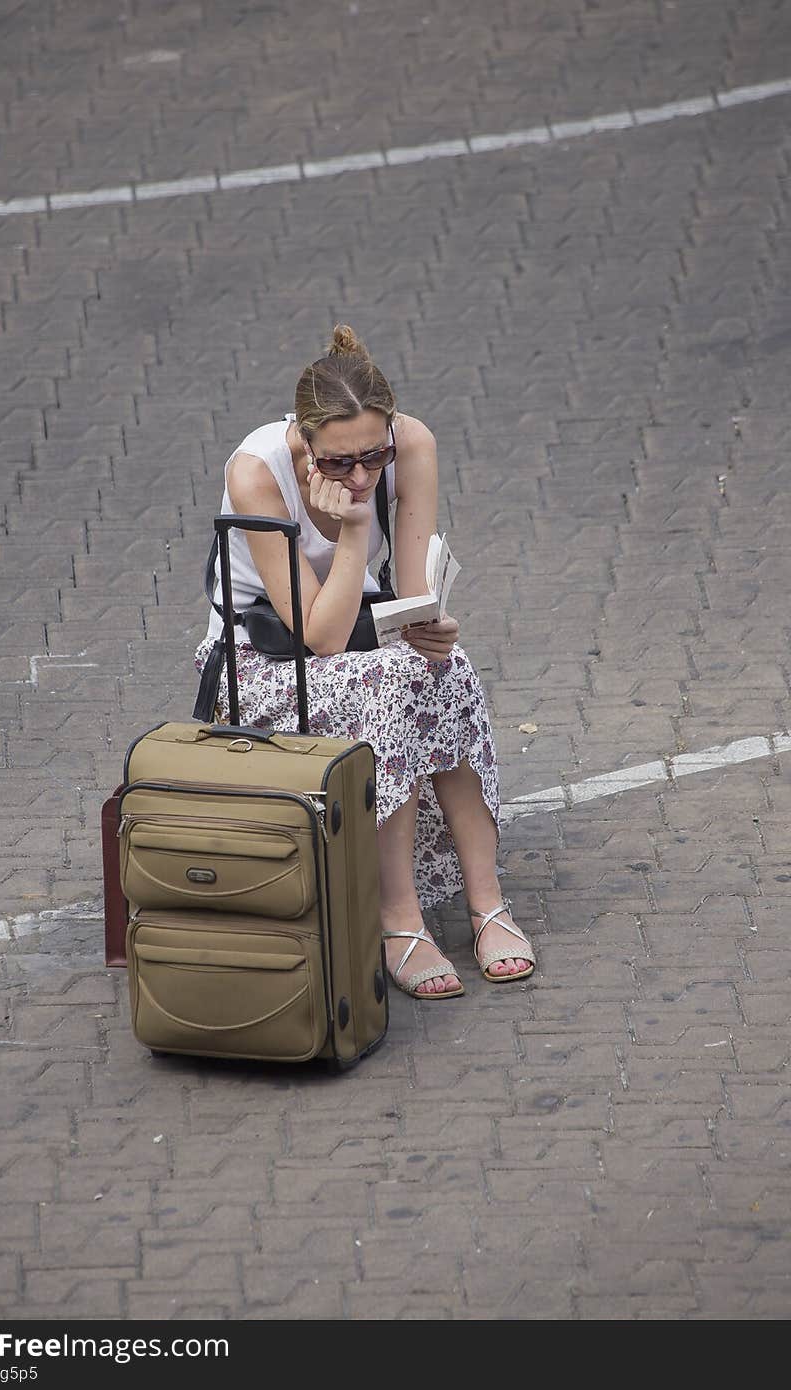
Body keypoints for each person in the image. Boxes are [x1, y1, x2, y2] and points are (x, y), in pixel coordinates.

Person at [194, 325, 535, 999]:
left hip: (359, 635)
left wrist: (433, 629)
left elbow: (410, 598)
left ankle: (486, 903)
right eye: (337, 464)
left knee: (445, 669)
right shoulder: (255, 471)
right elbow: (317, 635)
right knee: (391, 681)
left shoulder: (411, 445)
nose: (359, 475)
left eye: (372, 457)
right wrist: (353, 527)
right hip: (260, 663)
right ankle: (397, 919)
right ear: (305, 440)